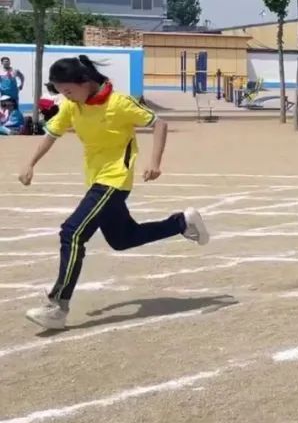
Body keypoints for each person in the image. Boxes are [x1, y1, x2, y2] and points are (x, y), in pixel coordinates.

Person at [18, 56, 210, 331]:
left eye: (69, 91)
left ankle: (57, 305)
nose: (66, 97)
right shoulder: (74, 106)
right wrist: (30, 163)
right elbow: (52, 133)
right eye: (61, 92)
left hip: (114, 181)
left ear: (85, 82)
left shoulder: (119, 103)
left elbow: (159, 124)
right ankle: (181, 223)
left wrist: (154, 162)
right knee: (123, 239)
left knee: (72, 233)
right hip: (96, 180)